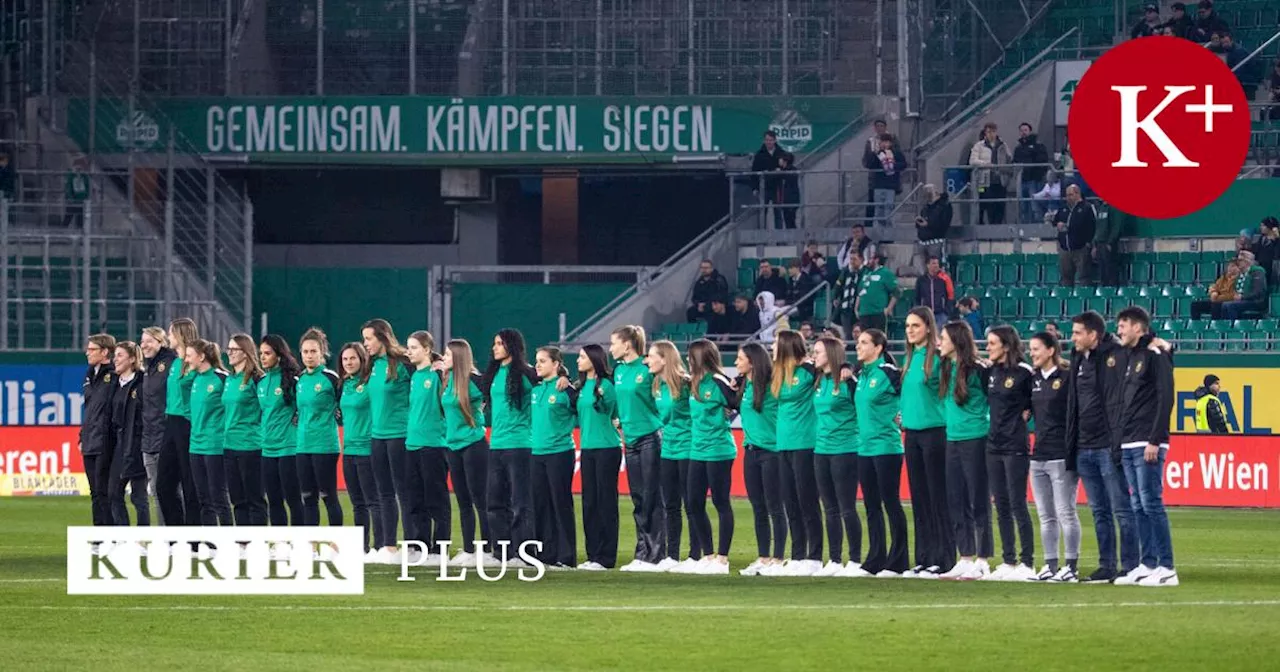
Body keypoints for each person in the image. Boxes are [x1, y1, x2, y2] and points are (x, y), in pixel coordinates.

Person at [1066, 311, 1139, 583]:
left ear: (1093, 335)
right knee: (1099, 511)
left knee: (1122, 508)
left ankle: (1131, 565)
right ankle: (1106, 565)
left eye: (1077, 333)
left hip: (1108, 445)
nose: (1072, 338)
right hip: (1084, 446)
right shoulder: (1077, 359)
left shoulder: (1116, 355)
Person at [1113, 307, 1178, 587]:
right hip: (1129, 440)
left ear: (1138, 328)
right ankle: (1148, 563)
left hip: (1147, 441)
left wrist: (1155, 438)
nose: (1119, 331)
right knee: (1138, 504)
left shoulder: (1155, 354)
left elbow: (1166, 398)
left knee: (1152, 502)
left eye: (1123, 326)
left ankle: (1167, 567)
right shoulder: (1132, 356)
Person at [937, 321, 994, 581]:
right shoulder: (946, 368)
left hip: (976, 439)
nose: (939, 342)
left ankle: (983, 559)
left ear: (956, 340)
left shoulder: (978, 370)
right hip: (953, 439)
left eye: (943, 337)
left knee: (978, 498)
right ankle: (965, 556)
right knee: (956, 499)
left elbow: (996, 401)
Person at [900, 308, 953, 579]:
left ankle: (943, 558)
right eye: (908, 326)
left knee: (936, 497)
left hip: (935, 433)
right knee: (919, 498)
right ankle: (923, 557)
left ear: (929, 328)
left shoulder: (938, 360)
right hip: (912, 434)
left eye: (916, 326)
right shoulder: (909, 360)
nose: (910, 330)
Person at [611, 325, 667, 572]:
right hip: (630, 440)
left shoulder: (647, 370)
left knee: (652, 496)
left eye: (613, 343)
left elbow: (663, 400)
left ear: (627, 345)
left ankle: (656, 554)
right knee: (638, 497)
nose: (610, 348)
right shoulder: (619, 371)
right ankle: (642, 551)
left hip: (649, 438)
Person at [854, 329, 909, 578]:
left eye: (864, 342)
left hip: (886, 447)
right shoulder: (861, 374)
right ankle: (875, 558)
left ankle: (898, 561)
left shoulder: (887, 372)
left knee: (890, 502)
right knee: (871, 505)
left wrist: (903, 416)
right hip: (864, 447)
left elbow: (910, 395)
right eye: (858, 342)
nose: (858, 346)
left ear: (878, 348)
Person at [983, 327, 1036, 582]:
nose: (988, 347)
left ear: (1006, 346)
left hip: (1015, 445)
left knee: (1017, 503)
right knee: (1001, 505)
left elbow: (1038, 398)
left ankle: (1027, 562)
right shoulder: (991, 372)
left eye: (992, 343)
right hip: (993, 445)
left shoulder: (1025, 372)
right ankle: (1008, 560)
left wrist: (1029, 412)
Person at [482, 329, 539, 568]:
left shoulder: (526, 374)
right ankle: (501, 552)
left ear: (511, 346)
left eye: (499, 344)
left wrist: (563, 378)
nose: (494, 348)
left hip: (520, 445)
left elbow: (546, 383)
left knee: (520, 503)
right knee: (495, 502)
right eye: (494, 343)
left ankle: (523, 553)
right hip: (496, 444)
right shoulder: (493, 374)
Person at [1027, 331, 1081, 582]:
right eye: (1031, 349)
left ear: (1051, 350)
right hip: (1038, 455)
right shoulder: (1033, 379)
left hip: (1061, 455)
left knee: (1066, 512)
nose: (1032, 353)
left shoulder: (1068, 377)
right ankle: (1050, 564)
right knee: (1045, 515)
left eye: (1036, 349)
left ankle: (1071, 566)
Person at [811, 336, 865, 578]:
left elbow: (863, 409)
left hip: (845, 449)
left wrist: (848, 368)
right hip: (821, 450)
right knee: (829, 508)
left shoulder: (848, 382)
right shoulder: (819, 380)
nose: (814, 355)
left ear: (831, 354)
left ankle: (854, 559)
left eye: (819, 352)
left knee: (846, 507)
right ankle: (834, 559)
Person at [770, 330, 823, 576]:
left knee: (807, 501)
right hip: (783, 443)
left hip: (806, 442)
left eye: (775, 344)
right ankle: (798, 553)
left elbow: (834, 369)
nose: (772, 348)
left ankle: (815, 556)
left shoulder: (810, 371)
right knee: (790, 501)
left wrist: (843, 365)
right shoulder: (778, 373)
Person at [440, 339, 497, 567]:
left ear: (458, 356)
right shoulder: (446, 380)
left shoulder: (474, 380)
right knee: (463, 501)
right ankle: (467, 549)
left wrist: (482, 409)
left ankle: (488, 549)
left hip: (474, 446)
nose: (443, 358)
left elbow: (493, 392)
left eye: (446, 354)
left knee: (479, 500)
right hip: (452, 447)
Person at [684, 339, 738, 575]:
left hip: (718, 450)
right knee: (694, 502)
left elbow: (738, 402)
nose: (687, 359)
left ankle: (722, 558)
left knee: (720, 502)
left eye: (690, 356)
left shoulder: (718, 381)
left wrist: (729, 413)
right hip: (697, 450)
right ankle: (708, 555)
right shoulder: (694, 382)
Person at [361, 319, 412, 563]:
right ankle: (389, 547)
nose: (365, 344)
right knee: (384, 493)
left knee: (404, 492)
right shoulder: (372, 366)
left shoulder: (403, 362)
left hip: (399, 436)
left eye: (368, 338)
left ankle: (412, 547)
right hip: (377, 437)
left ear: (382, 337)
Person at [649, 341, 702, 573]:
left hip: (689, 448)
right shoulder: (657, 385)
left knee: (691, 504)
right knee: (670, 504)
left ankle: (695, 555)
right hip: (668, 449)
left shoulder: (686, 383)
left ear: (664, 359)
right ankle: (672, 555)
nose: (647, 360)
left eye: (651, 356)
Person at [735, 343, 787, 577]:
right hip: (751, 451)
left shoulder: (772, 386)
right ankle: (764, 557)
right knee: (758, 507)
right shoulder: (745, 386)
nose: (736, 363)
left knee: (775, 507)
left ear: (753, 361)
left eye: (740, 359)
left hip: (772, 452)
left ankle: (778, 558)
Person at [530, 346, 579, 570]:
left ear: (556, 364)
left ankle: (566, 556)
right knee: (541, 505)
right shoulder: (535, 390)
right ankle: (546, 554)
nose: (537, 365)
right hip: (537, 453)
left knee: (561, 504)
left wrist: (566, 380)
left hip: (560, 452)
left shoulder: (565, 390)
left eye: (542, 361)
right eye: (536, 361)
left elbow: (584, 408)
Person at [574, 344, 622, 571]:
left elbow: (610, 412)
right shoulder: (581, 386)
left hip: (606, 448)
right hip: (588, 449)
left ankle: (606, 556)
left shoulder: (607, 386)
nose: (578, 360)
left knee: (606, 502)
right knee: (589, 502)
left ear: (594, 360)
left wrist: (601, 397)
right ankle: (593, 554)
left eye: (582, 357)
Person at [405, 331, 451, 563]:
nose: (409, 351)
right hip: (412, 444)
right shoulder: (415, 376)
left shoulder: (438, 374)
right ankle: (420, 544)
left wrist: (443, 369)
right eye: (409, 347)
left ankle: (439, 547)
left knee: (437, 499)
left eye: (413, 347)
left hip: (434, 444)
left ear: (426, 349)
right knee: (416, 498)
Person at [295, 328, 343, 527]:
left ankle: (336, 543)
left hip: (324, 445)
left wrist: (338, 411)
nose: (308, 356)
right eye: (305, 352)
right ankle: (311, 545)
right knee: (308, 498)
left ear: (322, 352)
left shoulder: (331, 378)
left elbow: (344, 403)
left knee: (328, 496)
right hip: (302, 445)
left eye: (313, 351)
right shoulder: (299, 380)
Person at [156, 318, 200, 526]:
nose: (168, 336)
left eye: (171, 333)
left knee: (191, 484)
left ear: (181, 335)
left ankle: (194, 537)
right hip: (171, 423)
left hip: (188, 424)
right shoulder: (174, 363)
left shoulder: (195, 364)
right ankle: (176, 533)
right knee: (163, 484)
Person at [258, 335, 304, 527]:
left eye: (267, 353)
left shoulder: (293, 381)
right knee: (274, 501)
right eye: (260, 353)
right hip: (267, 448)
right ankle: (280, 543)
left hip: (289, 448)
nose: (263, 357)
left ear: (279, 355)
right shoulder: (260, 383)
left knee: (293, 500)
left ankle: (299, 543)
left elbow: (304, 408)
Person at [339, 342, 380, 557]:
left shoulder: (370, 382)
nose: (348, 363)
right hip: (349, 451)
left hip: (367, 449)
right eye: (345, 359)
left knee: (373, 501)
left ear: (362, 359)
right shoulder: (344, 384)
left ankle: (380, 546)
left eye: (352, 358)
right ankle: (362, 547)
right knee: (357, 503)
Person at [186, 338, 232, 526]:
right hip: (195, 446)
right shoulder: (195, 379)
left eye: (189, 355)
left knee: (218, 496)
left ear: (202, 356)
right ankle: (212, 544)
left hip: (215, 445)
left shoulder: (222, 378)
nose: (186, 359)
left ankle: (229, 540)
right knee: (203, 499)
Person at [222, 334, 265, 528]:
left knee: (254, 498)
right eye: (228, 349)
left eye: (234, 349)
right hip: (229, 444)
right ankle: (242, 542)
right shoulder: (230, 379)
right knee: (237, 499)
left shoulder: (257, 379)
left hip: (251, 445)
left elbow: (267, 409)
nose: (229, 353)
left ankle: (258, 541)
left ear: (246, 352)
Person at [108, 341, 149, 526]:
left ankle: (141, 539)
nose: (115, 359)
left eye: (120, 355)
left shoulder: (142, 382)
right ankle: (124, 537)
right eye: (115, 355)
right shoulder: (115, 384)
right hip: (120, 445)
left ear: (132, 359)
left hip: (138, 445)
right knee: (114, 493)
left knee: (139, 497)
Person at [139, 327, 175, 525]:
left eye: (149, 341)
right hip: (149, 438)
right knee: (156, 491)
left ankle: (175, 535)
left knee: (168, 490)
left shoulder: (170, 363)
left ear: (161, 341)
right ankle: (165, 535)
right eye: (142, 341)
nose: (144, 345)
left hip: (165, 436)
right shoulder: (149, 368)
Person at [80, 333, 117, 527]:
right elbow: (90, 409)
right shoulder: (89, 374)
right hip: (89, 439)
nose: (87, 352)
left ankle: (109, 534)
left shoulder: (114, 375)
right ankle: (98, 536)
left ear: (104, 352)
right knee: (94, 491)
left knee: (104, 491)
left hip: (105, 440)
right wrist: (81, 436)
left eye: (92, 349)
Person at [968, 122, 1012, 225]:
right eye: (988, 132)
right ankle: (989, 229)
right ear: (985, 133)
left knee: (1000, 206)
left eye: (993, 131)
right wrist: (986, 164)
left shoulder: (1003, 145)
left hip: (1000, 180)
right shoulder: (979, 146)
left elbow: (1009, 159)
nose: (991, 134)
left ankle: (998, 228)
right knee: (988, 204)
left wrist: (1008, 173)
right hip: (985, 181)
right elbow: (972, 161)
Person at [1054, 185, 1097, 287]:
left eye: (1070, 195)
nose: (1068, 197)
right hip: (1065, 249)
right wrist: (1058, 224)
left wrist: (1090, 245)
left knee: (1084, 277)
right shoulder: (1063, 208)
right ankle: (1066, 301)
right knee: (1065, 278)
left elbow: (1094, 226)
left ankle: (1084, 300)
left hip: (1081, 248)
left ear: (1077, 194)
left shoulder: (1087, 207)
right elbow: (1055, 221)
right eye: (1067, 195)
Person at [863, 134, 907, 227]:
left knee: (888, 210)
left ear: (890, 143)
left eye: (887, 142)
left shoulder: (896, 153)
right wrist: (874, 153)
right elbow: (870, 165)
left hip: (890, 185)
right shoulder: (878, 154)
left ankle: (889, 234)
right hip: (878, 185)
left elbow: (904, 164)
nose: (885, 144)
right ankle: (880, 234)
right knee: (878, 210)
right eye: (883, 141)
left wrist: (893, 165)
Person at [1012, 123, 1050, 225]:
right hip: (1022, 180)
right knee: (1023, 206)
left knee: (1035, 206)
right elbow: (1014, 162)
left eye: (1025, 130)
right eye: (1021, 130)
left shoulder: (1038, 146)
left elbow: (1043, 161)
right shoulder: (1018, 149)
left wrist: (1037, 175)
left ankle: (1037, 229)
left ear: (1030, 131)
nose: (1023, 132)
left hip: (1034, 180)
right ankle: (1025, 230)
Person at [855, 253, 900, 332]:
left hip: (878, 313)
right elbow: (860, 291)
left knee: (878, 338)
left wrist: (889, 309)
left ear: (877, 260)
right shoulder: (865, 273)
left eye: (870, 259)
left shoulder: (885, 273)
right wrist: (856, 308)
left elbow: (896, 292)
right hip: (864, 313)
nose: (868, 261)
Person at [1221, 251, 1268, 319]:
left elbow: (1257, 292)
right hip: (1241, 300)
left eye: (1240, 261)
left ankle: (1233, 327)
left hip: (1255, 302)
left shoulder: (1257, 272)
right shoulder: (1239, 273)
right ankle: (1220, 327)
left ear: (1247, 262)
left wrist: (1242, 297)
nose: (1238, 263)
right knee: (1219, 304)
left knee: (1229, 305)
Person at [750, 130, 783, 228]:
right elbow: (754, 172)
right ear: (764, 141)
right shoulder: (759, 154)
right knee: (762, 213)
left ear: (775, 140)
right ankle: (762, 239)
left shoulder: (781, 153)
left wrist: (781, 168)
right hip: (764, 188)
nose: (769, 142)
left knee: (778, 213)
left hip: (777, 187)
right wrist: (754, 188)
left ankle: (780, 240)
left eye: (771, 140)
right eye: (767, 140)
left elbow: (788, 164)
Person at [916, 184, 952, 269]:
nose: (927, 195)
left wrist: (929, 224)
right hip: (923, 241)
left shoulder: (944, 206)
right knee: (923, 269)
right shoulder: (926, 207)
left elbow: (944, 224)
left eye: (929, 192)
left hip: (936, 241)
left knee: (936, 268)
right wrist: (919, 223)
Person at [832, 251, 864, 340]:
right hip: (845, 308)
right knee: (848, 334)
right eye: (851, 259)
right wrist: (835, 297)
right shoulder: (846, 271)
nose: (852, 261)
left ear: (861, 260)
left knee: (859, 332)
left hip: (859, 308)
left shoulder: (865, 272)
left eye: (854, 259)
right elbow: (838, 284)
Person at [915, 256, 954, 324]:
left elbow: (951, 295)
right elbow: (917, 296)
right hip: (926, 314)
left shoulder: (945, 278)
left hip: (941, 314)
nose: (936, 265)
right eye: (933, 263)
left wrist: (947, 311)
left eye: (937, 263)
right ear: (928, 265)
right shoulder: (921, 280)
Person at [775, 151, 801, 229]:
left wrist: (780, 172)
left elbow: (788, 177)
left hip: (791, 200)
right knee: (788, 222)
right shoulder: (783, 170)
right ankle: (794, 239)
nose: (779, 161)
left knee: (791, 222)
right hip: (785, 200)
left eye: (780, 159)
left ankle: (797, 238)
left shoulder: (792, 170)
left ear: (785, 160)